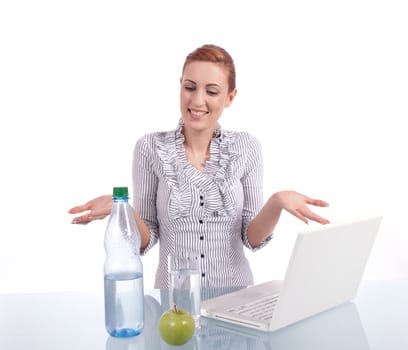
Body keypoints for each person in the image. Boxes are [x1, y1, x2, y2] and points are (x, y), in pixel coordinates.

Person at [68, 44, 329, 289]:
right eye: (190, 87)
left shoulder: (247, 147)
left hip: (236, 299)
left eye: (212, 91)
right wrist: (120, 207)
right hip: (174, 303)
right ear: (180, 86)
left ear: (230, 97)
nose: (197, 101)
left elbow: (252, 239)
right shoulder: (149, 148)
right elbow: (145, 241)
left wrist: (277, 202)